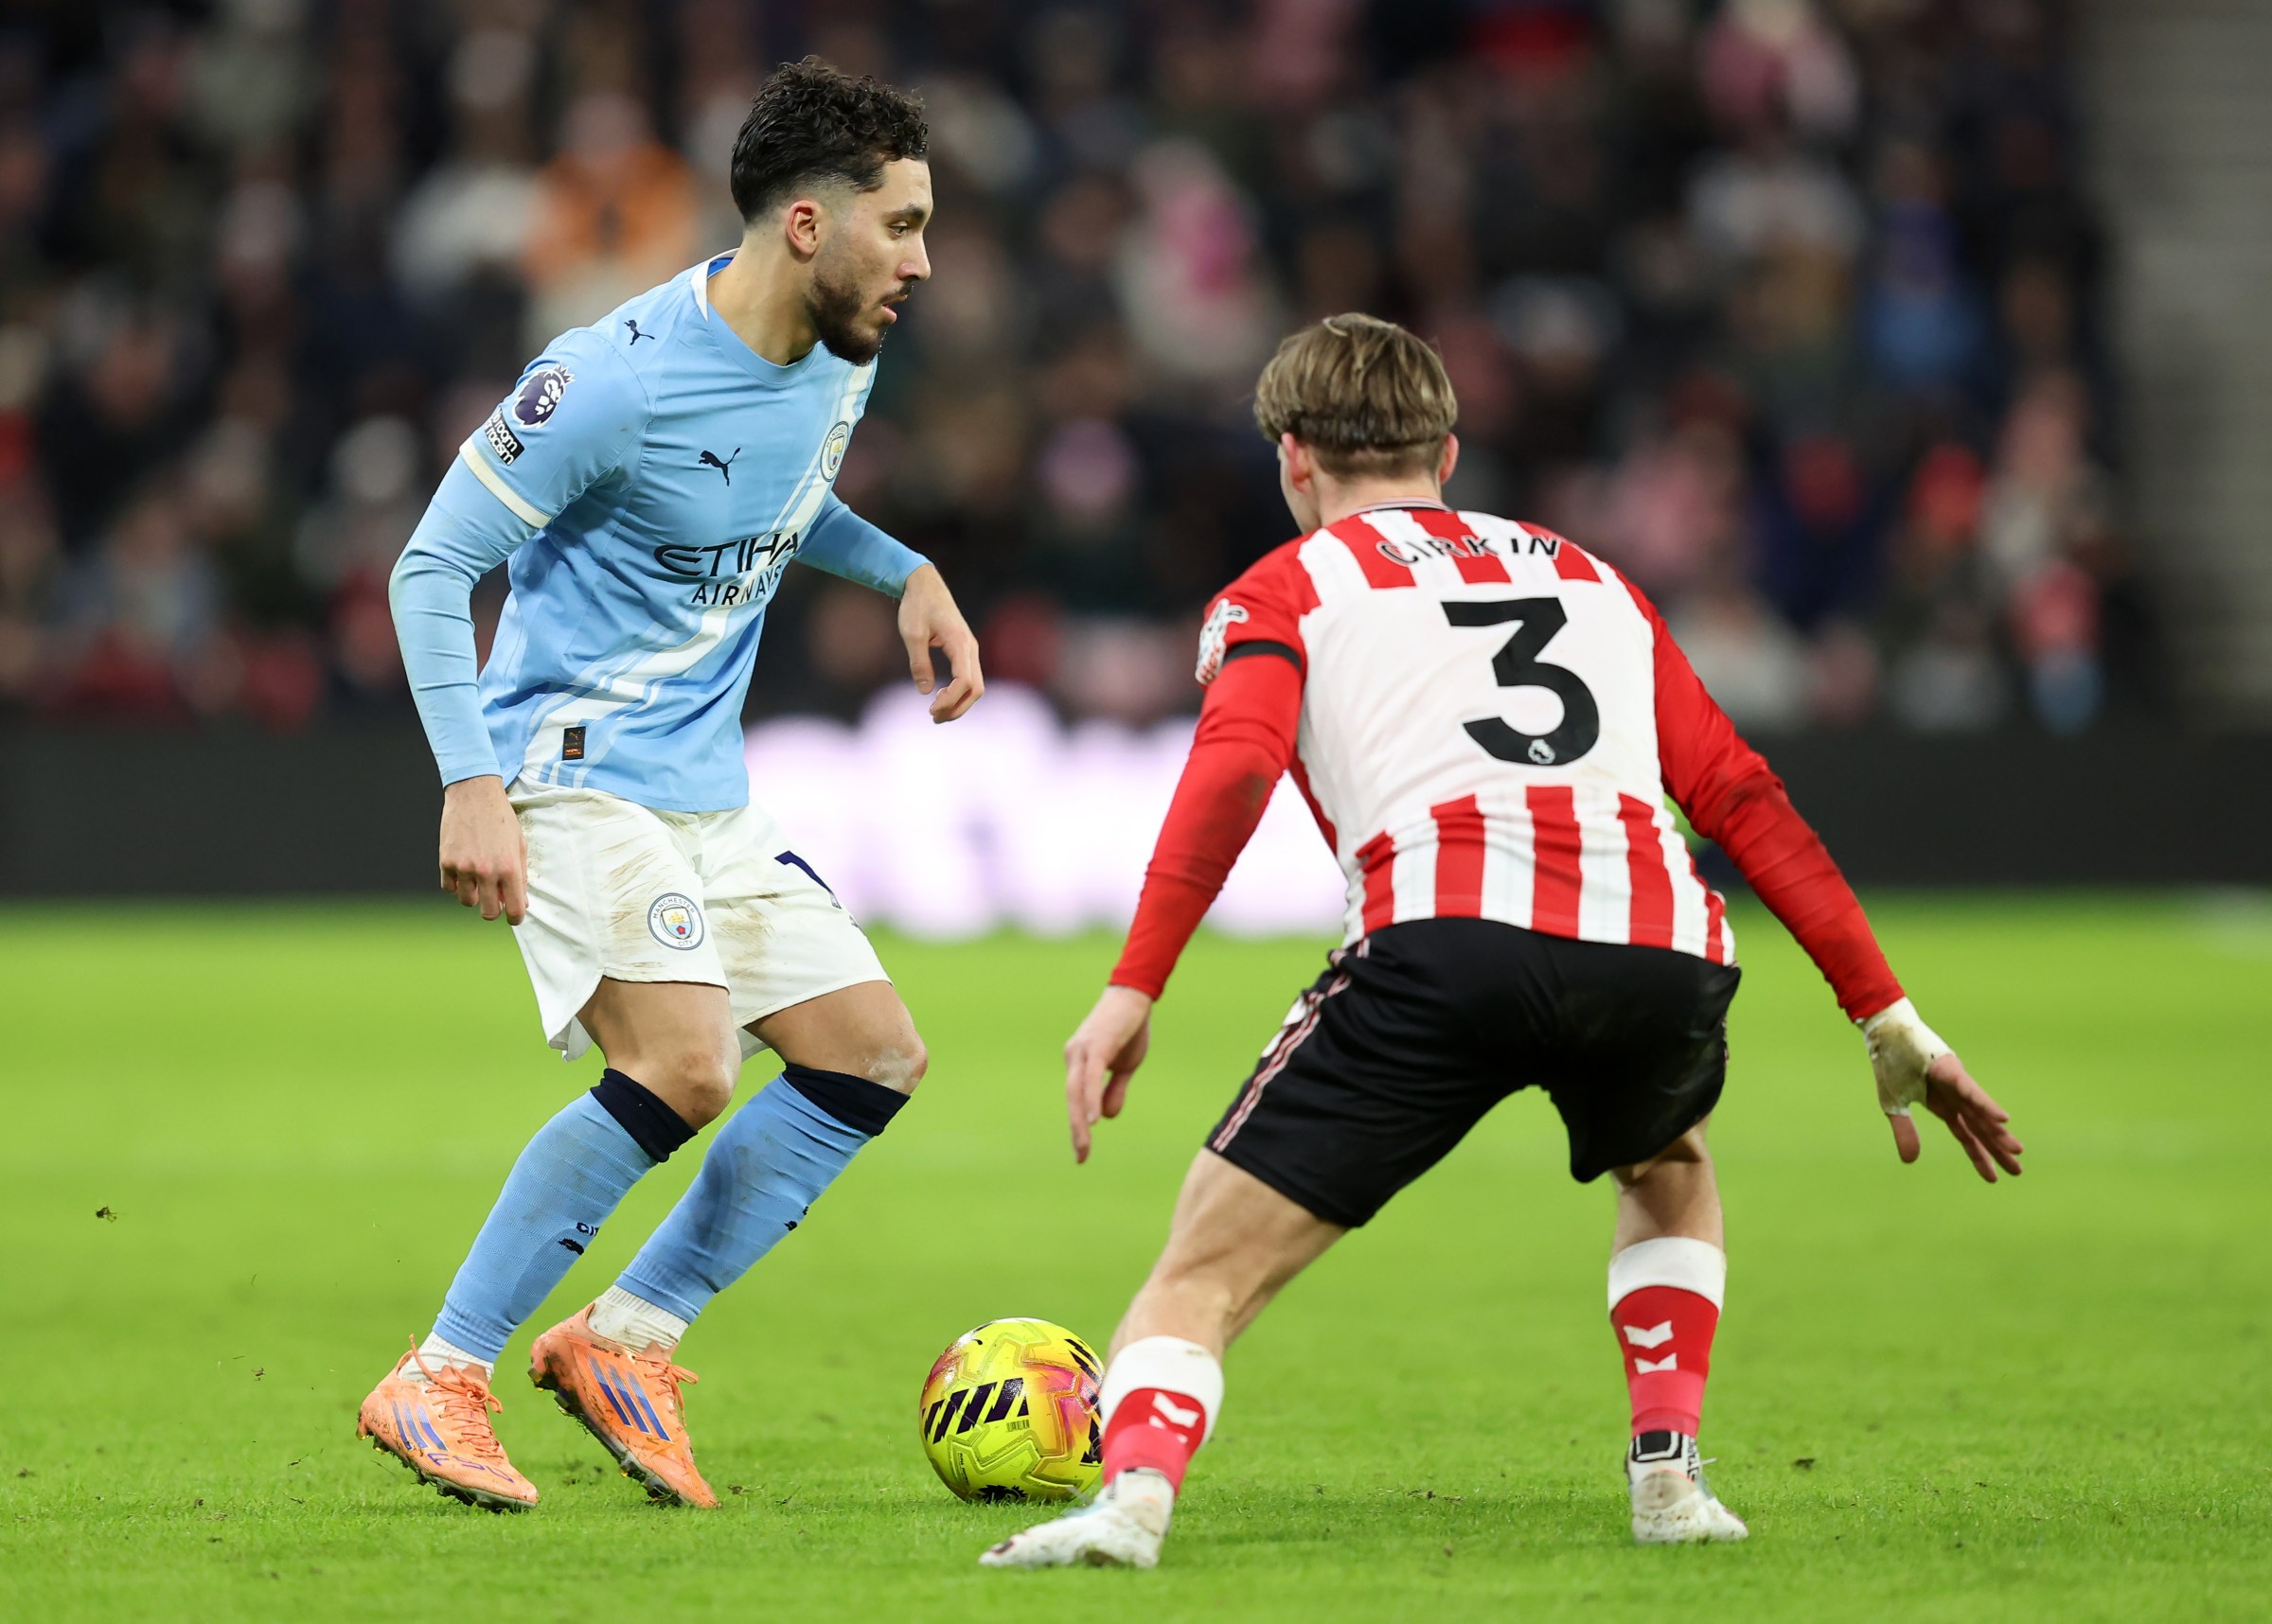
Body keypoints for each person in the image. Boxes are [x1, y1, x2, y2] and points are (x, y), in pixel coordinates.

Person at [983, 314, 2023, 1569]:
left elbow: (1235, 768)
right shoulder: (1594, 580)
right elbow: (1742, 797)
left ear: (1294, 456)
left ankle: (1131, 1505)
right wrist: (1888, 1016)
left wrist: (1131, 986)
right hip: (1659, 944)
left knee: (1203, 1266)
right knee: (1670, 1167)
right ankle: (1670, 1484)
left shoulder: (1286, 585)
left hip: (1445, 940)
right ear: (1449, 451)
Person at [358, 60, 982, 1512]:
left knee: (869, 1059)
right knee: (690, 1066)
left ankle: (626, 1338)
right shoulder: (609, 379)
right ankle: (439, 1373)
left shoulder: (844, 351)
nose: (925, 261)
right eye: (903, 225)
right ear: (811, 227)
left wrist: (905, 571)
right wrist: (470, 785)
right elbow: (431, 565)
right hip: (569, 771)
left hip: (708, 788)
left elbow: (778, 495)